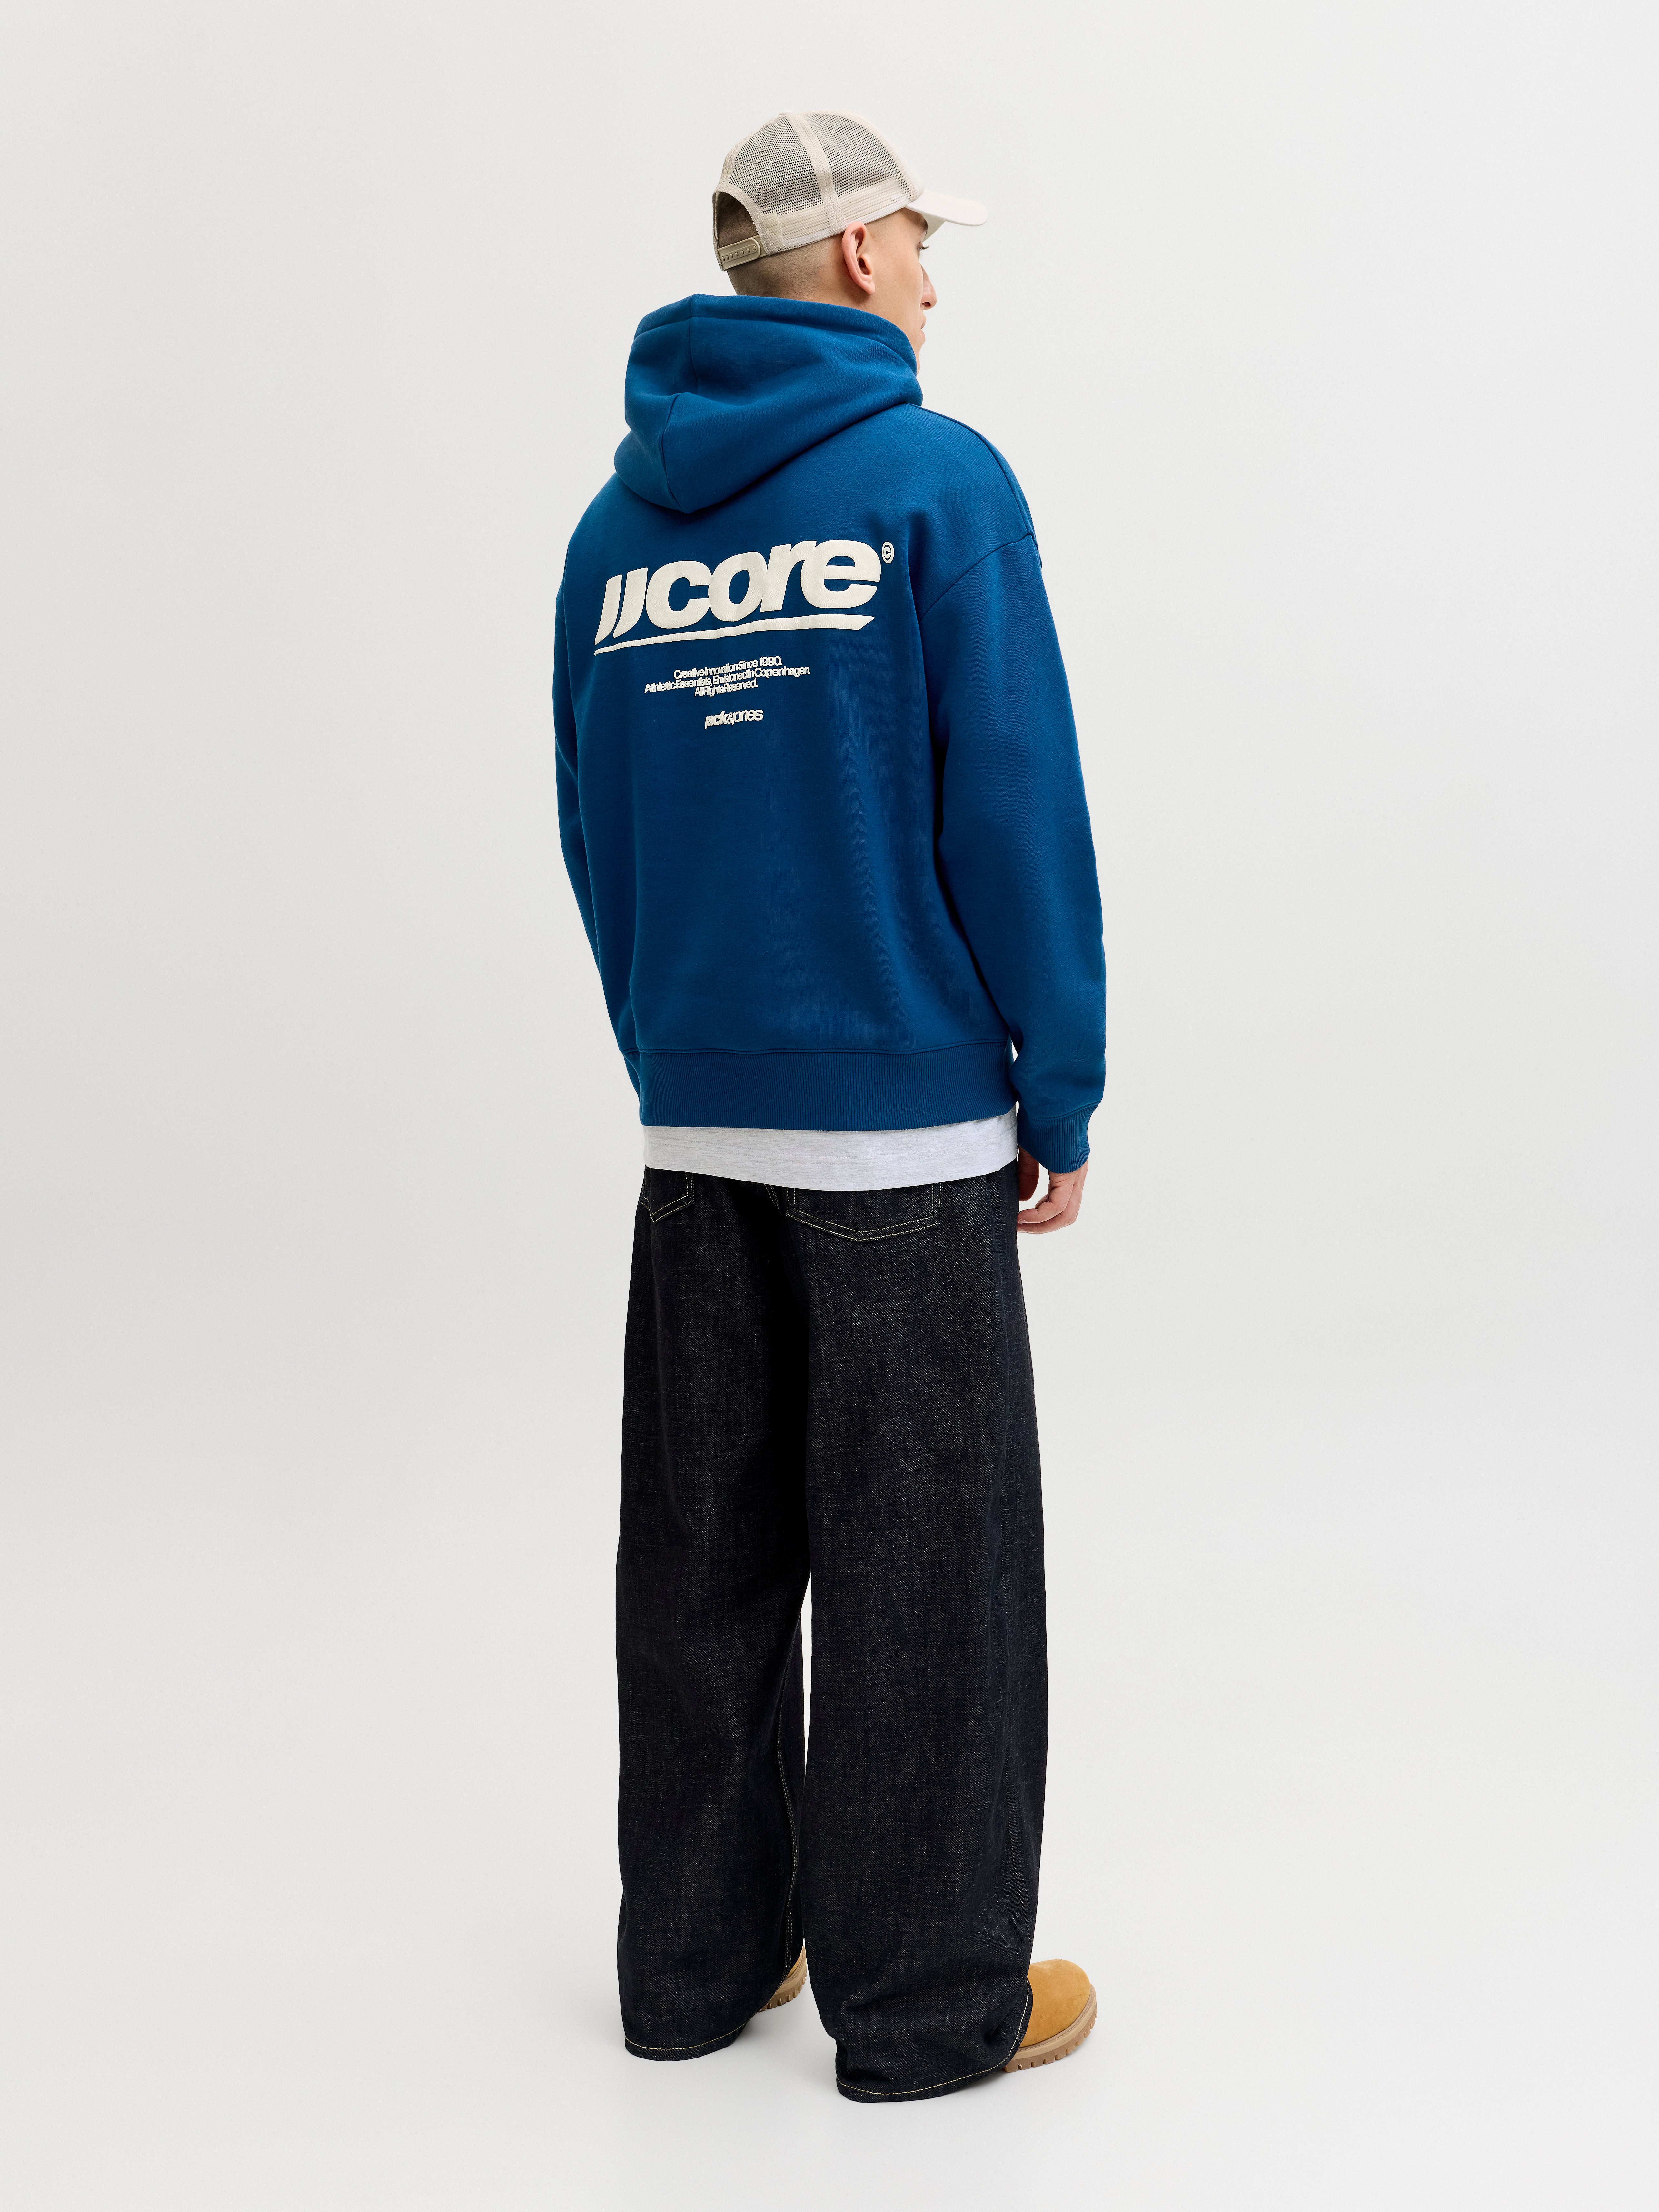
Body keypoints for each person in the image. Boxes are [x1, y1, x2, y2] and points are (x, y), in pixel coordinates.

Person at [552, 110, 1106, 2103]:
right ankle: (929, 2009)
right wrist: (1059, 1074)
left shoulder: (612, 533)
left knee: (697, 1567)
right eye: (922, 245)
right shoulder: (935, 483)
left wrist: (675, 1050)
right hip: (898, 1133)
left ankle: (696, 1972)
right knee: (926, 1572)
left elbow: (594, 824)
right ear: (862, 253)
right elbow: (1010, 802)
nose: (935, 280)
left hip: (698, 1125)